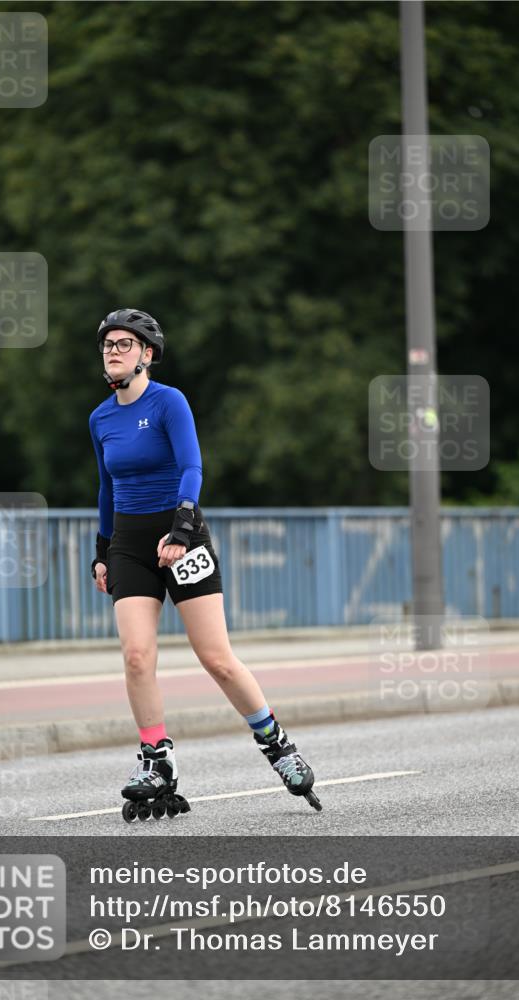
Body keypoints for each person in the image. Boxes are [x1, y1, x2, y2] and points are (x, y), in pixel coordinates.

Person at [89, 308, 321, 819]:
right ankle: (156, 758)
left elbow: (192, 465)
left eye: (124, 344)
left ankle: (275, 741)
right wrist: (103, 551)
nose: (113, 351)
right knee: (135, 656)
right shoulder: (101, 417)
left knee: (216, 657)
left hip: (181, 536)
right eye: (108, 344)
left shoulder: (168, 402)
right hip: (129, 541)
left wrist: (182, 527)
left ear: (147, 355)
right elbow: (106, 488)